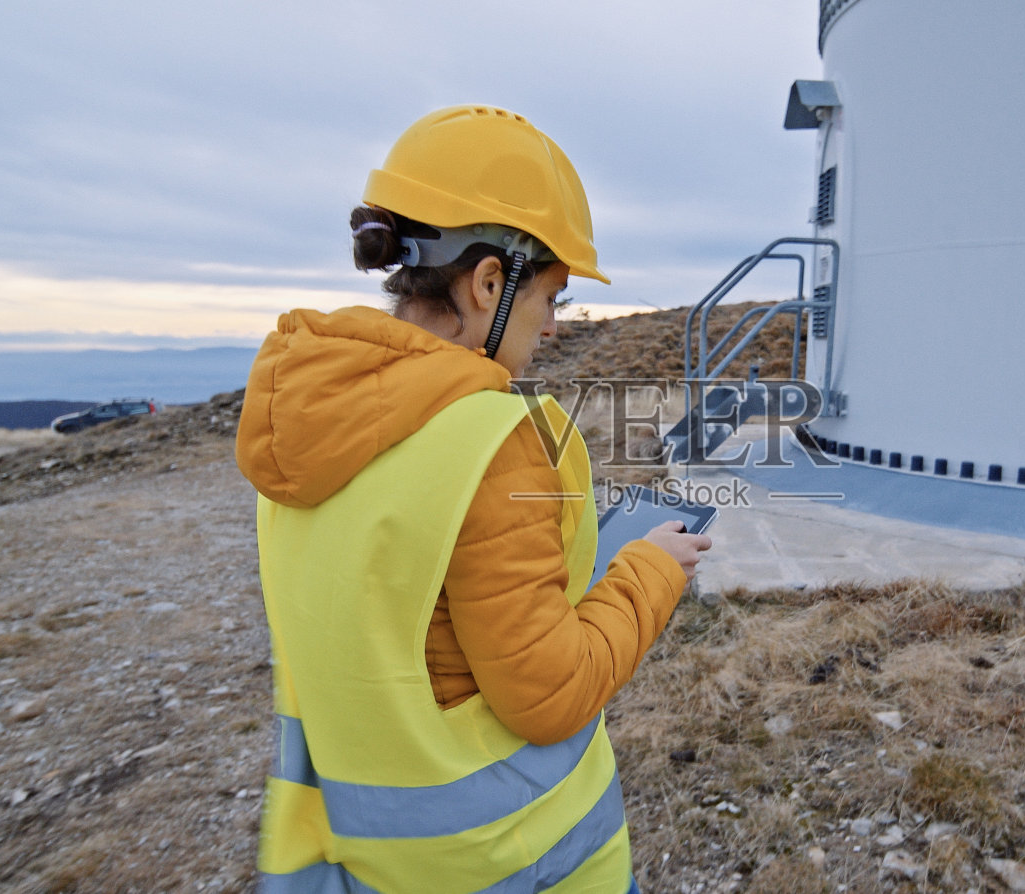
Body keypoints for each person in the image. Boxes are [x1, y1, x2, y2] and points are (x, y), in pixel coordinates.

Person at [235, 105, 712, 893]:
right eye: (552, 298)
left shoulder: (310, 419)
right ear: (492, 282)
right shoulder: (491, 441)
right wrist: (650, 570)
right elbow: (548, 693)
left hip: (365, 858)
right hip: (508, 859)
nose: (556, 327)